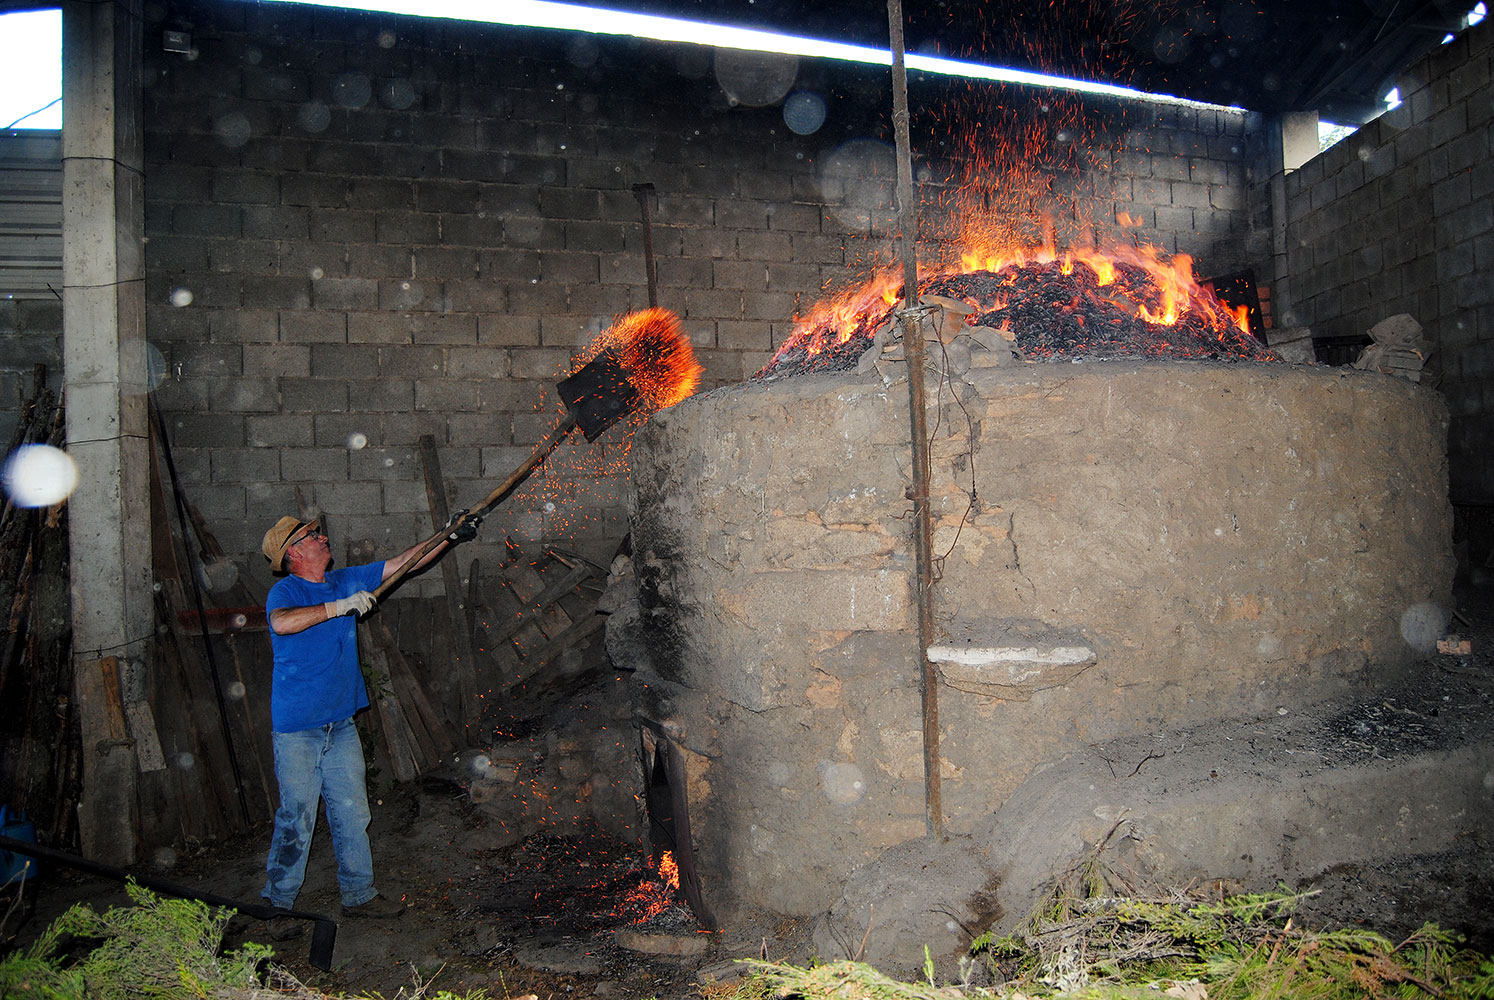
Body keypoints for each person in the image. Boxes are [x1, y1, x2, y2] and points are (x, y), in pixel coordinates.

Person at [257, 510, 477, 938]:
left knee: (353, 811)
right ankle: (277, 905)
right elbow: (283, 624)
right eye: (313, 535)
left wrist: (449, 537)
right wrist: (338, 608)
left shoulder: (344, 579)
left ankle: (358, 894)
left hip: (340, 725)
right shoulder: (285, 592)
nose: (323, 537)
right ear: (295, 552)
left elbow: (404, 563)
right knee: (297, 815)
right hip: (298, 729)